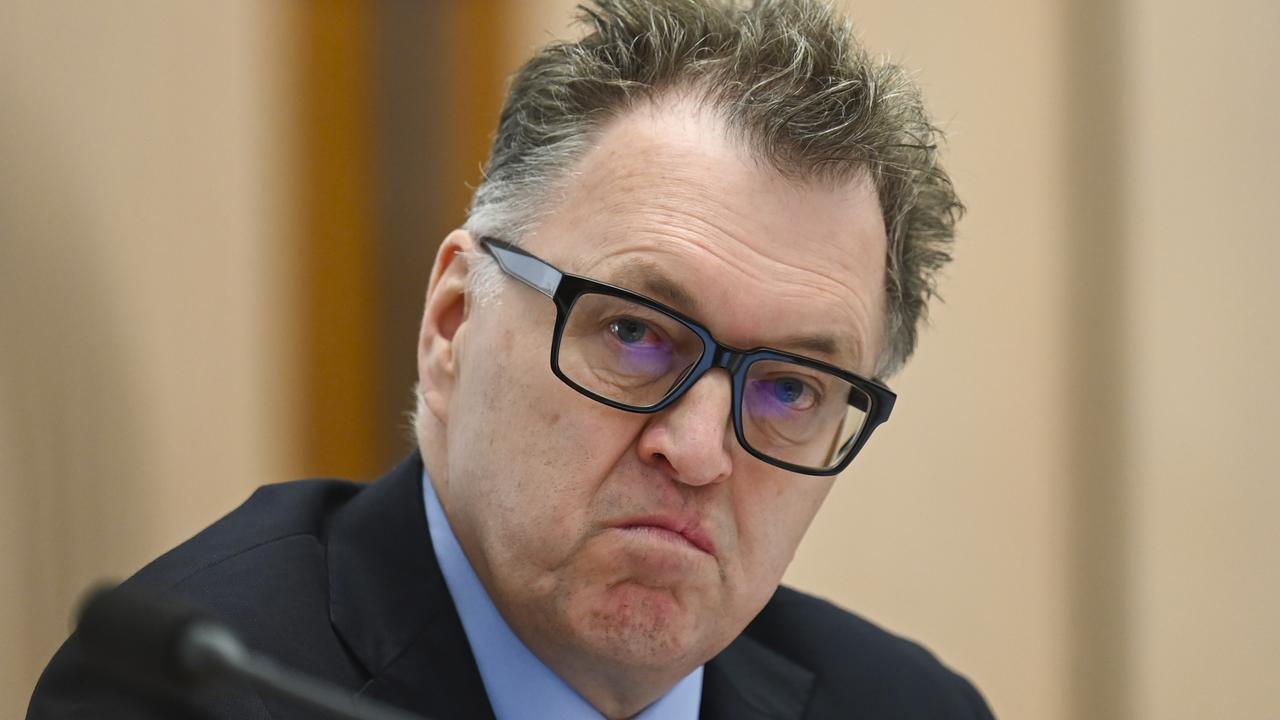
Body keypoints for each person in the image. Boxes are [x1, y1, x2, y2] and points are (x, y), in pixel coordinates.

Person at [28, 1, 993, 718]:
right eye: (634, 332)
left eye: (791, 387)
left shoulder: (906, 707)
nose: (699, 451)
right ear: (453, 324)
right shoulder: (193, 691)